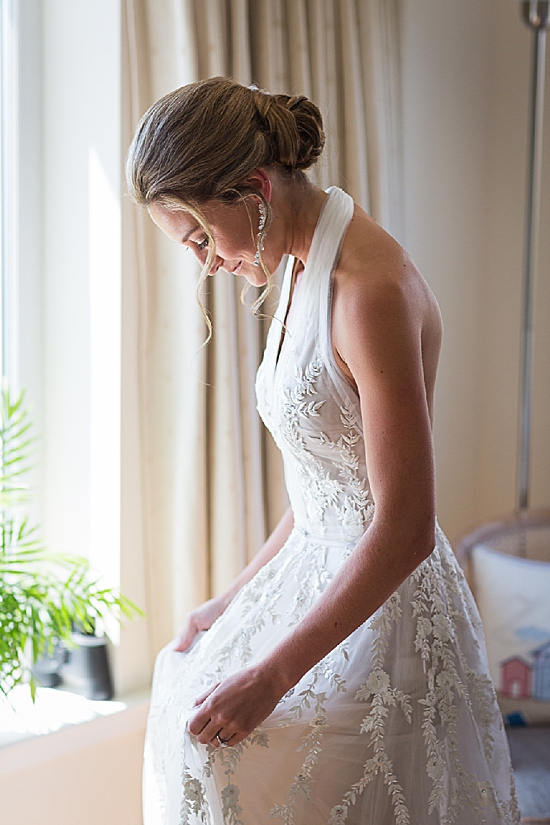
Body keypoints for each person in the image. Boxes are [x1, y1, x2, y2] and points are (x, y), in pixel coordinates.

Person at [127, 76, 520, 825]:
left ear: (251, 188)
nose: (208, 264)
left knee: (235, 752)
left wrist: (271, 675)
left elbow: (403, 526)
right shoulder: (302, 266)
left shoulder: (367, 288)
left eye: (203, 238)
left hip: (386, 603)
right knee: (183, 689)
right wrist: (231, 598)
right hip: (313, 571)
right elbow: (324, 484)